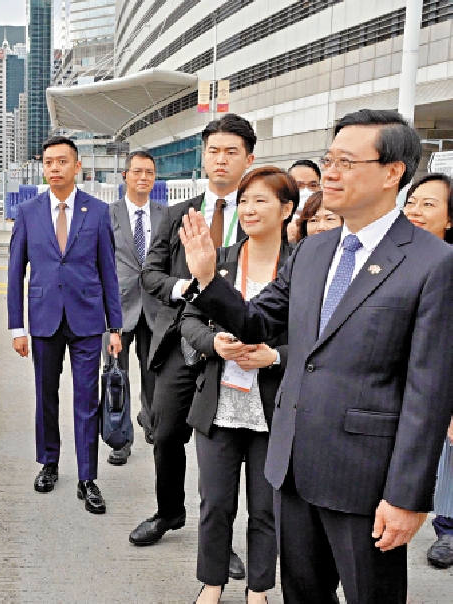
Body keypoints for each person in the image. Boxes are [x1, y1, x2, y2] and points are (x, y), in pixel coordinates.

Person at [178, 109, 453, 603]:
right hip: (294, 469)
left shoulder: (433, 263)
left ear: (392, 173)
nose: (331, 173)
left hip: (367, 481)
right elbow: (257, 323)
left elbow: (428, 391)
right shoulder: (312, 252)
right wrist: (207, 280)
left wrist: (407, 496)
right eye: (329, 160)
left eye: (347, 162)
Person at [133, 114, 252, 589]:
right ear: (203, 157)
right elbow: (150, 274)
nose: (221, 160)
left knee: (220, 448)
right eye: (213, 151)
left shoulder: (257, 212)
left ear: (249, 159)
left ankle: (220, 541)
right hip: (182, 342)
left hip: (236, 346)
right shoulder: (177, 214)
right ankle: (169, 511)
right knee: (165, 433)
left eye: (231, 152)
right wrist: (187, 287)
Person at [181, 167, 297, 604]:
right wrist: (213, 343)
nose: (249, 209)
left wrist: (276, 357)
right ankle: (211, 583)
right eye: (244, 200)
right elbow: (189, 320)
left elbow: (318, 339)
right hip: (220, 404)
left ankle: (259, 589)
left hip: (273, 409)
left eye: (260, 200)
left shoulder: (301, 267)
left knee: (265, 509)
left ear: (286, 209)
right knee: (215, 504)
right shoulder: (220, 260)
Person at [8, 135, 123, 515]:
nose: (54, 168)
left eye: (62, 161)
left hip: (87, 320)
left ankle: (87, 478)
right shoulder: (28, 212)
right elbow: (15, 273)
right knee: (46, 396)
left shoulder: (97, 212)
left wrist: (115, 327)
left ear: (77, 167)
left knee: (87, 400)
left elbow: (109, 271)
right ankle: (49, 462)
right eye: (48, 162)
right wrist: (17, 327)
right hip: (43, 320)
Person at [401, 173, 453, 569]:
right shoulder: (392, 258)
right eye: (412, 202)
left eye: (429, 204)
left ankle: (448, 529)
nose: (416, 211)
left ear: (450, 219)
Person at [105, 150, 163, 463]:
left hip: (156, 308)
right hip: (117, 308)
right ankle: (120, 438)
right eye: (137, 171)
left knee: (154, 373)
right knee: (118, 376)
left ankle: (150, 419)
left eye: (149, 172)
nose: (143, 177)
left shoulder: (165, 215)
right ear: (125, 176)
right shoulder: (107, 214)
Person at [286, 159, 322, 242]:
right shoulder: (277, 220)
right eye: (299, 185)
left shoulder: (332, 216)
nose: (306, 191)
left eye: (313, 185)